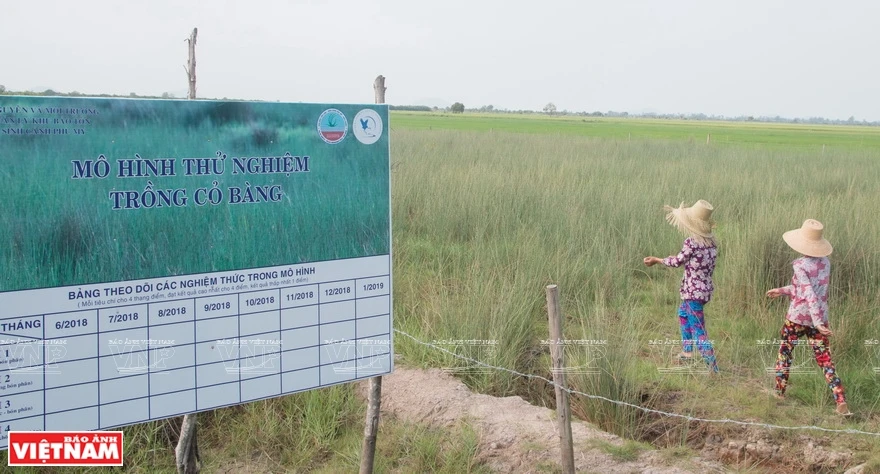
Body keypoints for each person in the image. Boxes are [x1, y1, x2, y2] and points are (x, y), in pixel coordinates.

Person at [766, 219, 851, 416]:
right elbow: (806, 290)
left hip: (796, 318)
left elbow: (808, 293)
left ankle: (779, 392)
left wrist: (817, 321)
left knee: (785, 353)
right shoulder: (825, 263)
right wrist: (781, 290)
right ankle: (840, 400)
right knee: (825, 360)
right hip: (818, 317)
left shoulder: (800, 264)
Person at [644, 200, 719, 373]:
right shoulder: (711, 243)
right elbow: (695, 262)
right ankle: (687, 352)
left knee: (699, 329)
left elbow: (677, 261)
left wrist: (657, 260)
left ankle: (713, 367)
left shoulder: (691, 243)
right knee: (683, 314)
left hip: (693, 292)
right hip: (704, 290)